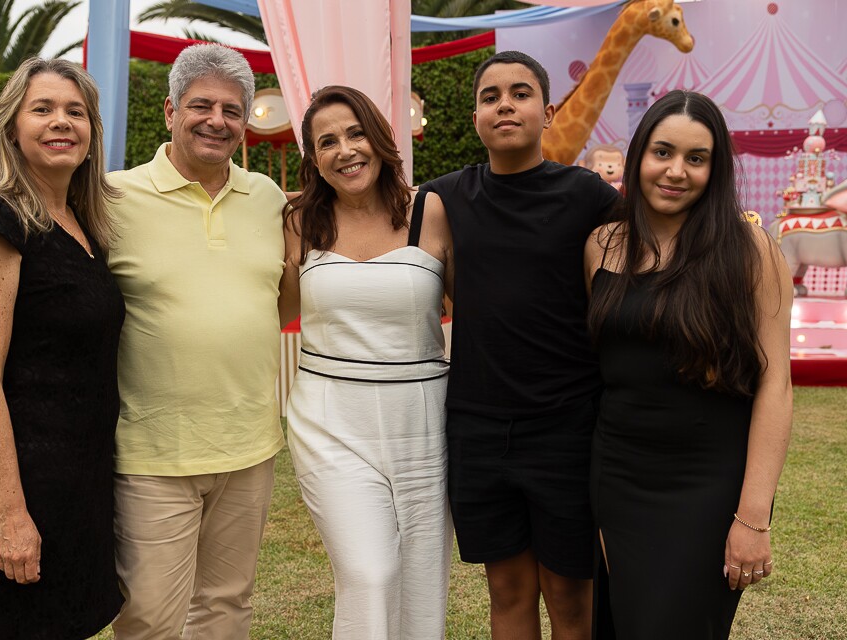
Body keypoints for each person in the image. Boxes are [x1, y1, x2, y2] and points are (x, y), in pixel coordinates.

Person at [421, 51, 619, 640]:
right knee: (506, 592)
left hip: (567, 429)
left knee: (569, 596)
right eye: (490, 96)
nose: (504, 104)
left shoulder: (589, 197)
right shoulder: (443, 199)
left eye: (521, 92)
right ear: (476, 116)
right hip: (478, 429)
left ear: (549, 110)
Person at [583, 90, 792, 639]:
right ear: (638, 157)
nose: (676, 171)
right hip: (617, 480)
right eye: (662, 152)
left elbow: (776, 386)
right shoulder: (602, 246)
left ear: (715, 168)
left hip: (706, 488)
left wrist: (752, 516)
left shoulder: (750, 250)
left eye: (696, 159)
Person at [105, 44, 286, 640]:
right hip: (153, 452)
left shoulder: (268, 199)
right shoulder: (111, 199)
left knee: (227, 607)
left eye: (232, 110)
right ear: (169, 111)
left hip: (249, 446)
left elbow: (279, 300)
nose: (217, 120)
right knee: (150, 616)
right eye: (201, 105)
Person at [0, 58, 124, 639]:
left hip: (82, 475)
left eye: (76, 112)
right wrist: (12, 516)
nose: (62, 122)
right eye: (43, 109)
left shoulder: (83, 223)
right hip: (25, 482)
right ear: (12, 128)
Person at [278, 85, 455, 639]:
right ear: (313, 158)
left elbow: (479, 309)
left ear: (380, 139)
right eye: (326, 141)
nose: (345, 150)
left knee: (422, 581)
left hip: (424, 423)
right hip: (331, 423)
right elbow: (272, 304)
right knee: (369, 574)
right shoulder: (298, 220)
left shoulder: (432, 211)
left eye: (356, 133)